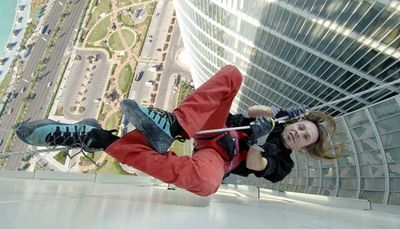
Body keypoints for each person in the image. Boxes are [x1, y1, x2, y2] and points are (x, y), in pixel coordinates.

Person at [17, 65, 343, 197]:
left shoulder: (283, 165)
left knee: (205, 183)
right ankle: (172, 125)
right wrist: (279, 115)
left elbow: (258, 165)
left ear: (302, 148)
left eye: (303, 137)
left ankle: (98, 138)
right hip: (214, 125)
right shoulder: (282, 121)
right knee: (233, 75)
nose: (298, 133)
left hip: (220, 153)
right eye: (301, 127)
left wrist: (257, 141)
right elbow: (256, 111)